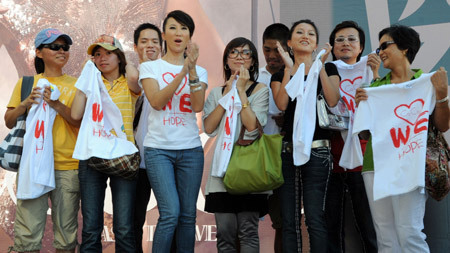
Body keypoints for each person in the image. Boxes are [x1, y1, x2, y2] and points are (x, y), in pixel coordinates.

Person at [355, 25, 449, 253]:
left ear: (406, 48)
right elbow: (365, 133)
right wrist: (362, 106)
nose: (380, 52)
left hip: (411, 163)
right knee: (385, 237)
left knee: (409, 232)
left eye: (385, 45)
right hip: (375, 166)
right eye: (379, 48)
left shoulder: (427, 82)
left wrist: (442, 96)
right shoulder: (375, 88)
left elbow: (443, 125)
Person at [5, 28, 80, 253]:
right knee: (27, 239)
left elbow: (80, 122)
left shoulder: (78, 85)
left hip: (67, 167)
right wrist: (25, 103)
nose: (61, 51)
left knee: (66, 240)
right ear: (38, 52)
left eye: (64, 47)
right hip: (32, 167)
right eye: (54, 46)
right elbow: (9, 121)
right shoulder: (26, 83)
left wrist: (57, 105)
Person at [139, 10, 207, 252]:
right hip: (159, 150)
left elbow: (198, 106)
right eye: (173, 28)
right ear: (163, 34)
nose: (179, 33)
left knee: (188, 216)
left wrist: (192, 69)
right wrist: (182, 71)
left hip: (191, 150)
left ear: (190, 36)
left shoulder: (200, 71)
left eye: (184, 29)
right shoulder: (150, 68)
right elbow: (157, 101)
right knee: (170, 213)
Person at [271, 19, 341, 252]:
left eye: (311, 33)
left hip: (319, 151)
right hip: (289, 151)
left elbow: (332, 100)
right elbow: (282, 104)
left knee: (314, 218)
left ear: (316, 43)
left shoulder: (329, 68)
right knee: (290, 221)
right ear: (289, 42)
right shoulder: (281, 73)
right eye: (299, 32)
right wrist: (290, 69)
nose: (306, 36)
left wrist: (319, 65)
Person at [71, 34, 141, 252]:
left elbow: (134, 79)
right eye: (97, 55)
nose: (102, 58)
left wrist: (125, 59)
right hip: (92, 157)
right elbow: (75, 113)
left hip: (123, 156)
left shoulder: (128, 84)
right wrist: (85, 78)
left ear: (119, 57)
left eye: (109, 53)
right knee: (91, 229)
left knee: (123, 228)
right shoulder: (92, 82)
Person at [203, 37, 269, 253]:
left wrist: (240, 91)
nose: (240, 57)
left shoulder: (260, 91)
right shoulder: (215, 92)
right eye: (234, 52)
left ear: (253, 61)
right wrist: (227, 94)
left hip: (248, 168)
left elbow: (252, 128)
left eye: (246, 53)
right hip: (221, 170)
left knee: (248, 232)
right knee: (225, 233)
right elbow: (209, 128)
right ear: (226, 61)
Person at [325, 20, 378, 253]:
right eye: (340, 40)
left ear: (361, 48)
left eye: (351, 39)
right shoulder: (323, 73)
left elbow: (380, 113)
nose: (345, 43)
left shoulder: (372, 72)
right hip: (328, 160)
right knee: (330, 226)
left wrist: (376, 73)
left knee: (369, 224)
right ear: (333, 48)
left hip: (363, 157)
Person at [256, 22, 289, 253]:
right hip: (253, 158)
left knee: (284, 224)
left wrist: (289, 118)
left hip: (283, 159)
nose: (271, 55)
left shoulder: (297, 75)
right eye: (266, 50)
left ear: (288, 48)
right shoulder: (254, 75)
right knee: (243, 222)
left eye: (277, 50)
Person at [132, 22, 163, 253]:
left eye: (154, 41)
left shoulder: (168, 74)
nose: (149, 45)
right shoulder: (131, 79)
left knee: (171, 216)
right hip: (136, 162)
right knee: (133, 222)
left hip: (165, 158)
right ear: (135, 46)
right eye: (144, 41)